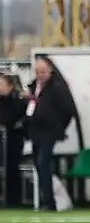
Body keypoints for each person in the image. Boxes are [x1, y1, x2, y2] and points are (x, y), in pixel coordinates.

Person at [24, 58, 76, 211]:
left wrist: (58, 127)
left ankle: (48, 201)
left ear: (50, 71)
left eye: (43, 72)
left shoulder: (57, 88)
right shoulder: (34, 87)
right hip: (35, 132)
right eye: (37, 72)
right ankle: (44, 198)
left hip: (49, 133)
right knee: (39, 166)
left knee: (43, 163)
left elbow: (68, 110)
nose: (40, 75)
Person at [0, 74, 28, 207]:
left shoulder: (18, 99)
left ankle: (13, 199)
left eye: (1, 85)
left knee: (12, 167)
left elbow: (22, 116)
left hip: (14, 137)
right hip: (2, 138)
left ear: (10, 86)